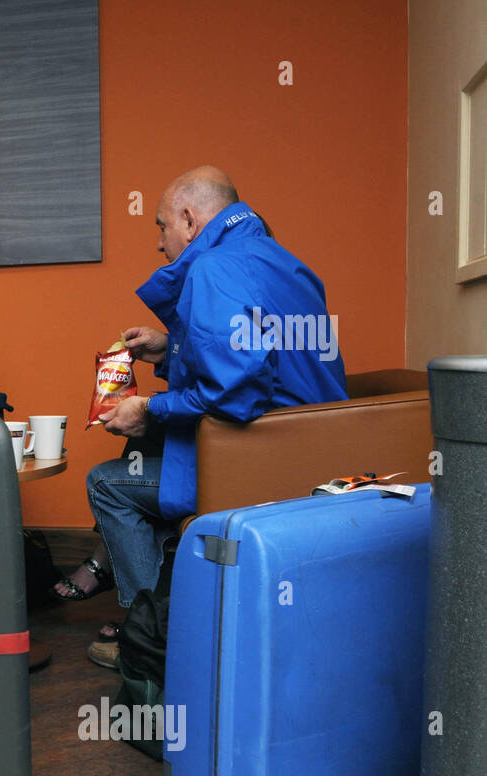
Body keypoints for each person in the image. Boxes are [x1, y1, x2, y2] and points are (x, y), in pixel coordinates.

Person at [79, 166, 347, 668]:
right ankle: (180, 600)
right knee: (143, 458)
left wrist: (150, 410)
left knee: (106, 483)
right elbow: (271, 363)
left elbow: (236, 394)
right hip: (317, 458)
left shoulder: (214, 269)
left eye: (160, 226)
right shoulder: (289, 264)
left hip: (262, 465)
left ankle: (151, 632)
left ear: (189, 219)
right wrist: (169, 349)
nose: (160, 243)